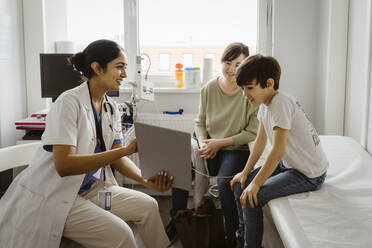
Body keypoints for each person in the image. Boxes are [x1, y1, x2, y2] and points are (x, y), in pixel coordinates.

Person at [0, 39, 173, 248]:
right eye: (119, 67)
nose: (125, 75)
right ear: (97, 68)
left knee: (148, 205)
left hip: (91, 189)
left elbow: (118, 157)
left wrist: (147, 181)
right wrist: (125, 151)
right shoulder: (68, 103)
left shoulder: (111, 108)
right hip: (59, 195)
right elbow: (64, 166)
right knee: (123, 235)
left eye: (125, 68)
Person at [230, 54, 328, 248]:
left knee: (252, 197)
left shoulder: (281, 104)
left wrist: (256, 184)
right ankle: (242, 233)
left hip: (308, 173)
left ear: (269, 83)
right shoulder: (265, 105)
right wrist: (245, 173)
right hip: (289, 165)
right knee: (239, 185)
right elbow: (260, 141)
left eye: (249, 88)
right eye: (242, 89)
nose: (245, 94)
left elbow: (277, 150)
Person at [168, 42, 259, 247]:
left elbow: (251, 132)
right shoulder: (209, 88)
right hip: (207, 143)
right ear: (222, 63)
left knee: (225, 183)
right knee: (178, 164)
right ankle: (177, 219)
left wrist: (219, 144)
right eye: (228, 63)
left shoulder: (249, 92)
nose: (232, 69)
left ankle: (231, 234)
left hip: (234, 148)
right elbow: (199, 121)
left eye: (239, 64)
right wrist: (203, 142)